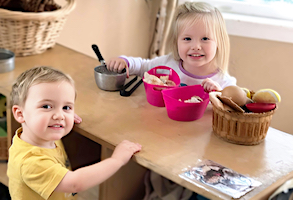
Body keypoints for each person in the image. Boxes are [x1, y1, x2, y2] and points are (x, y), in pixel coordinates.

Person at [7, 66, 142, 200]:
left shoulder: (40, 135)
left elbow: (50, 115)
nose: (59, 116)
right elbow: (75, 183)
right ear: (20, 114)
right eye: (46, 106)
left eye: (66, 107)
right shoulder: (30, 161)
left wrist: (66, 117)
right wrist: (116, 160)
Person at [107, 1, 236, 92]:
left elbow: (240, 103)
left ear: (219, 42)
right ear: (176, 42)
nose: (196, 46)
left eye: (205, 39)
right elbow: (142, 67)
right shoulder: (168, 64)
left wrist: (220, 95)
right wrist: (125, 62)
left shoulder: (223, 82)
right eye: (187, 39)